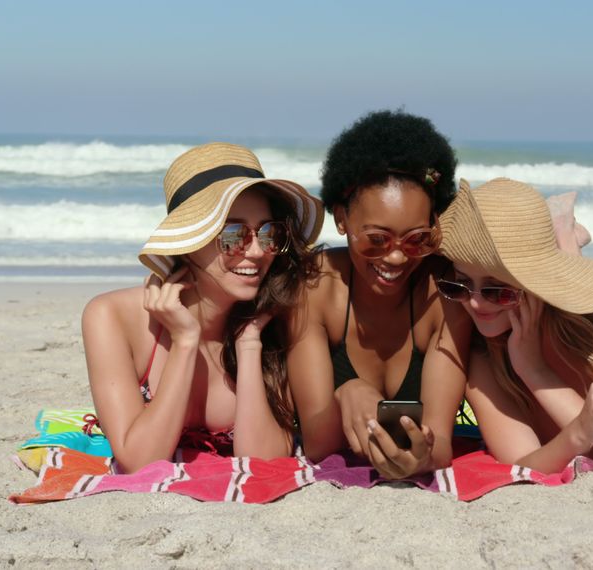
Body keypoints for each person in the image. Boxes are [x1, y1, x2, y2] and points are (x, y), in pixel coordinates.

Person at [81, 143, 324, 473]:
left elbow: (264, 464)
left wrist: (250, 343)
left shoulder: (276, 314)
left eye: (269, 233)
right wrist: (184, 340)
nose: (256, 252)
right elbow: (139, 461)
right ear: (189, 241)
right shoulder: (111, 317)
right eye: (234, 235)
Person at [436, 178, 593, 474]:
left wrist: (536, 371)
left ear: (534, 284)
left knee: (574, 313)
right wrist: (580, 431)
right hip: (547, 312)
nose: (475, 304)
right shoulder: (482, 354)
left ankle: (566, 243)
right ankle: (563, 238)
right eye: (459, 285)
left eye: (498, 291)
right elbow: (522, 462)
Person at [287, 110, 471, 479]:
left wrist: (421, 458)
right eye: (376, 239)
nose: (397, 256)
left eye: (417, 239)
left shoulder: (445, 294)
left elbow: (442, 444)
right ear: (341, 219)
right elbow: (319, 443)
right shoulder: (315, 287)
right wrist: (348, 392)